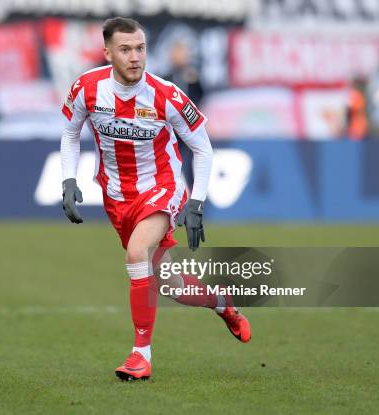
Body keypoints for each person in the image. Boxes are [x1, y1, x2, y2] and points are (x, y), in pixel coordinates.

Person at [59, 17, 251, 381]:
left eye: (141, 48)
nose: (135, 57)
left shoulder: (167, 94)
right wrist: (68, 180)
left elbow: (203, 148)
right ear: (107, 53)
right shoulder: (86, 88)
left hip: (162, 188)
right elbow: (70, 133)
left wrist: (196, 202)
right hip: (117, 195)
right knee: (174, 288)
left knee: (136, 253)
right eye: (125, 49)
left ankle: (140, 356)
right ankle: (223, 303)